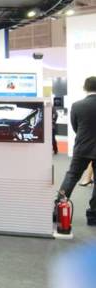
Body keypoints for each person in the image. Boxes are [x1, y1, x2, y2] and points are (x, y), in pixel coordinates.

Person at [57, 76, 96, 225]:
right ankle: (93, 216)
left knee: (71, 176)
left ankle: (58, 209)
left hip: (82, 147)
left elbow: (75, 127)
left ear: (85, 88)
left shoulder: (77, 105)